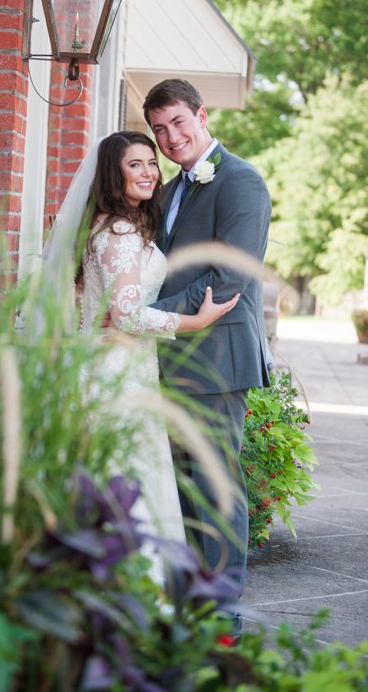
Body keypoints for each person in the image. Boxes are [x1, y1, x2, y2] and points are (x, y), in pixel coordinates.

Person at [75, 130, 238, 583]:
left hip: (118, 367)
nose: (149, 172)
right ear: (114, 173)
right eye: (135, 164)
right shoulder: (121, 233)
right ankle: (130, 592)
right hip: (119, 373)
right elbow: (126, 315)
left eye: (151, 163)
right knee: (130, 481)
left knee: (123, 480)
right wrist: (195, 321)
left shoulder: (109, 226)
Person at [145, 78, 272, 627]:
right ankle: (191, 600)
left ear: (201, 114)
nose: (171, 138)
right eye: (159, 130)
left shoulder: (242, 183)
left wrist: (146, 318)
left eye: (177, 122)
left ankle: (221, 613)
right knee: (182, 488)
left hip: (216, 362)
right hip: (169, 359)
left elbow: (227, 282)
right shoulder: (170, 190)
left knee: (216, 487)